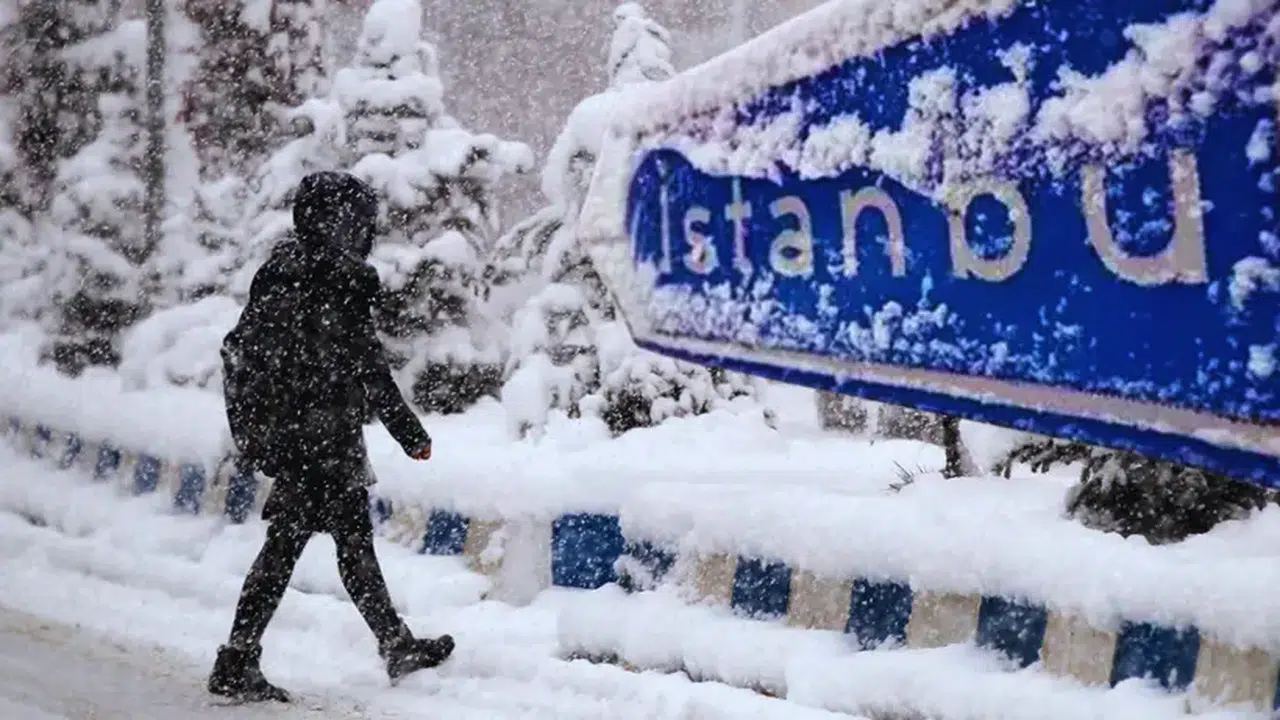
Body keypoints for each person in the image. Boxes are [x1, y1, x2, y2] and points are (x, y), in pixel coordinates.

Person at [211, 171, 454, 703]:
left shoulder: (282, 273)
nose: (365, 231)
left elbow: (261, 354)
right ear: (337, 222)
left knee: (340, 544)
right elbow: (369, 369)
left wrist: (270, 430)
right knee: (304, 549)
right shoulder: (334, 282)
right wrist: (410, 434)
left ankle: (392, 644)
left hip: (300, 438)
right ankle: (238, 657)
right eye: (358, 221)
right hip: (321, 441)